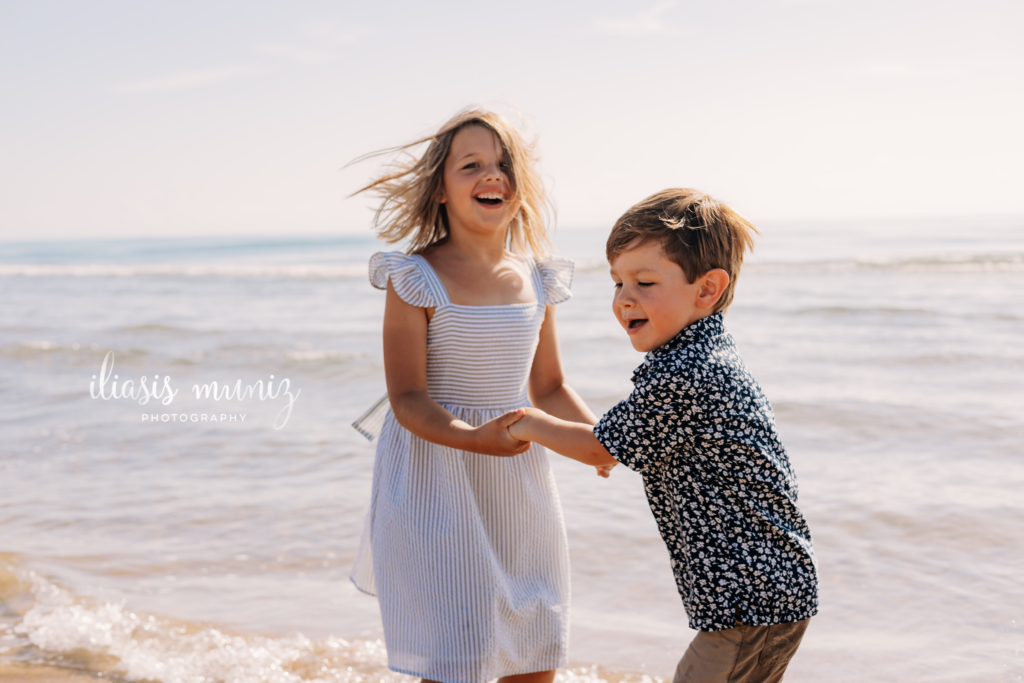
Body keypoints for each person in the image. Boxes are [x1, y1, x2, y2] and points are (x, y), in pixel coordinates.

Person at [507, 189, 820, 683]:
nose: (624, 298)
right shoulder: (704, 355)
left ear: (707, 289)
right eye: (617, 282)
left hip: (748, 600)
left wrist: (525, 422)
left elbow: (599, 445)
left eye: (645, 282)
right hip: (770, 591)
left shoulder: (686, 371)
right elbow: (618, 439)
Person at [348, 108, 600, 683]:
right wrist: (471, 437)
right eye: (472, 165)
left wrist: (598, 441)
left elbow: (551, 386)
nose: (493, 175)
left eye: (504, 164)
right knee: (459, 652)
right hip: (436, 476)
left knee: (534, 648)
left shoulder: (537, 279)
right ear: (441, 189)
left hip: (519, 484)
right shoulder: (415, 278)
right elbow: (408, 396)